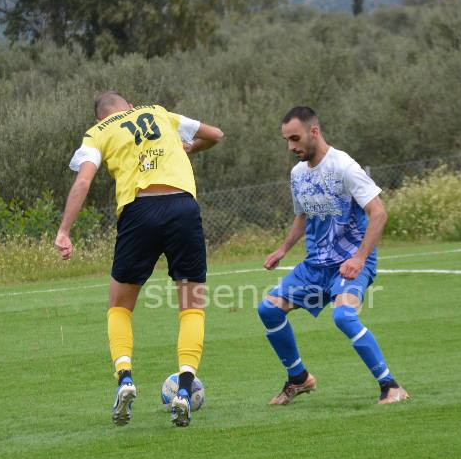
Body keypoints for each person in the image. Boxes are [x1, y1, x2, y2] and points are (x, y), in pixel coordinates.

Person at [55, 91, 223, 427]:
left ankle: (125, 379)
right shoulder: (159, 113)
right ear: (130, 106)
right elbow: (215, 135)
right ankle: (185, 390)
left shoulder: (98, 132)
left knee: (119, 306)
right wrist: (189, 148)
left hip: (139, 210)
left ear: (101, 116)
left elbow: (84, 180)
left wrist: (64, 230)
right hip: (182, 207)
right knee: (191, 306)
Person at [257, 106, 409, 405]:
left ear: (314, 131)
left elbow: (378, 213)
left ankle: (391, 386)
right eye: (286, 140)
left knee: (343, 316)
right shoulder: (298, 174)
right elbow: (303, 216)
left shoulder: (344, 167)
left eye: (295, 138)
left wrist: (360, 258)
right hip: (316, 266)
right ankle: (299, 378)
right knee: (268, 310)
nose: (291, 147)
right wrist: (283, 249)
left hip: (350, 263)